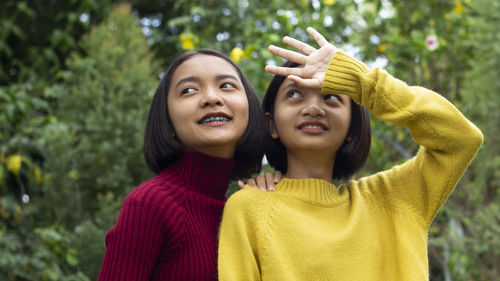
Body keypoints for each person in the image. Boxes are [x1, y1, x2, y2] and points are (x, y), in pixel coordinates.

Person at [218, 27, 483, 280]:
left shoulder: (396, 200)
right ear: (272, 124)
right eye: (295, 94)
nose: (313, 108)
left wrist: (363, 82)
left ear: (351, 128)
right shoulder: (248, 209)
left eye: (331, 97)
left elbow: (460, 138)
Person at [97, 48, 270, 281]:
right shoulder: (150, 204)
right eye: (189, 90)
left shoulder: (239, 208)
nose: (211, 97)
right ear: (167, 122)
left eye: (226, 86)